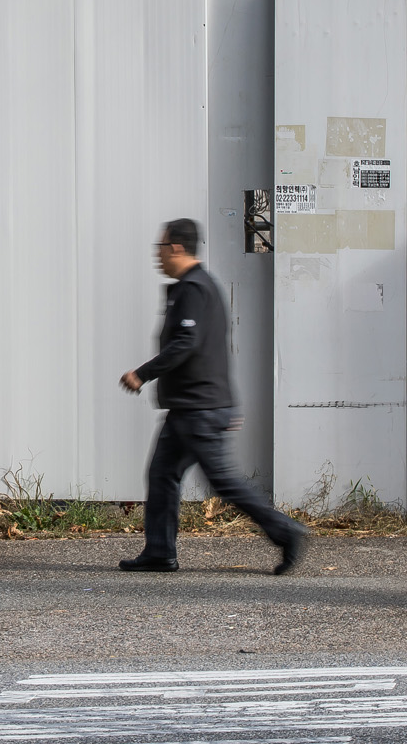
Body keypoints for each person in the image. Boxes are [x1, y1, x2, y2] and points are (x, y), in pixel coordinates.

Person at [117, 218, 307, 574]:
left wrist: (141, 374)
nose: (157, 255)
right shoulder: (192, 287)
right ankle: (159, 552)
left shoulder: (194, 288)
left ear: (177, 248)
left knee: (224, 482)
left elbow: (186, 343)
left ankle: (286, 531)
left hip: (199, 409)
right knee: (162, 474)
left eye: (160, 247)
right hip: (192, 407)